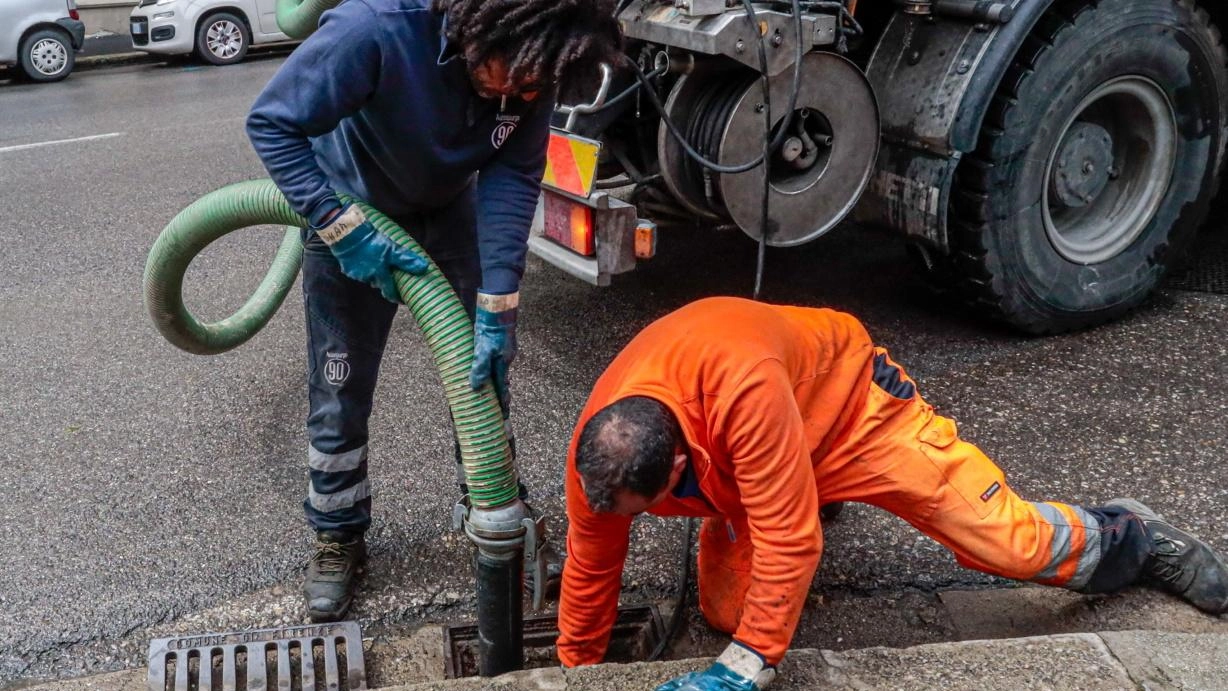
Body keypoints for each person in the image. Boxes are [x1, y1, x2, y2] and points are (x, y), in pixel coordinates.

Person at [557, 297, 1228, 691]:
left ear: (676, 460)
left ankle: (1130, 538)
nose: (632, 522)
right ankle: (795, 495)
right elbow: (592, 567)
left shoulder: (743, 390)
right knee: (728, 609)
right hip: (763, 459)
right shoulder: (602, 455)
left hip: (851, 409)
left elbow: (791, 537)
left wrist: (748, 667)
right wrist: (573, 674)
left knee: (1006, 541)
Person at [246, 0, 621, 622]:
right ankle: (338, 533)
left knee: (483, 368)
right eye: (516, 79)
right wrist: (341, 226)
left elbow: (514, 173)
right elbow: (271, 124)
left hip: (448, 211)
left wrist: (499, 301)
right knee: (339, 386)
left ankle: (494, 501)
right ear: (485, 31)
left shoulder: (533, 66)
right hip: (352, 208)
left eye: (536, 87)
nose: (522, 95)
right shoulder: (376, 30)